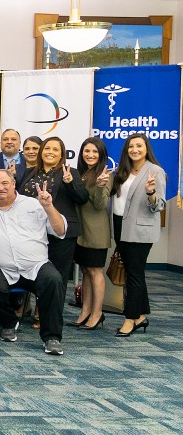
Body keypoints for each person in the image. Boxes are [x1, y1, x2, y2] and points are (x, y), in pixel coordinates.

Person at [0, 170, 68, 355]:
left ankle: (52, 337)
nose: (0, 187)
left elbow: (60, 231)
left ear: (13, 184)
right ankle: (9, 322)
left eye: (5, 183)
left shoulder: (35, 204)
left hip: (35, 265)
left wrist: (49, 207)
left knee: (54, 280)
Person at [110, 133, 166, 337]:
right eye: (131, 146)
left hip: (139, 231)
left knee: (134, 274)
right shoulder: (122, 170)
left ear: (146, 148)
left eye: (139, 146)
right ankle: (141, 316)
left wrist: (151, 192)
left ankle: (130, 319)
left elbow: (159, 206)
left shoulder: (155, 171)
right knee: (134, 273)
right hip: (119, 225)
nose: (135, 149)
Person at [20, 137, 88, 298]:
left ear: (62, 154)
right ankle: (28, 306)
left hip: (60, 234)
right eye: (47, 148)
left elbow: (83, 198)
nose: (50, 152)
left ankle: (47, 313)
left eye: (55, 149)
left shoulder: (70, 173)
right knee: (32, 271)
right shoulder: (29, 172)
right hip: (32, 232)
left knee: (57, 276)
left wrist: (70, 183)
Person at [69, 138, 112, 330]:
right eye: (87, 151)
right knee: (86, 271)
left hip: (96, 232)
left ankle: (97, 313)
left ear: (101, 155)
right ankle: (85, 311)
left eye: (95, 152)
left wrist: (102, 185)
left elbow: (100, 205)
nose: (90, 155)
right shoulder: (83, 173)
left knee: (95, 272)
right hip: (81, 231)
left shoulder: (104, 174)